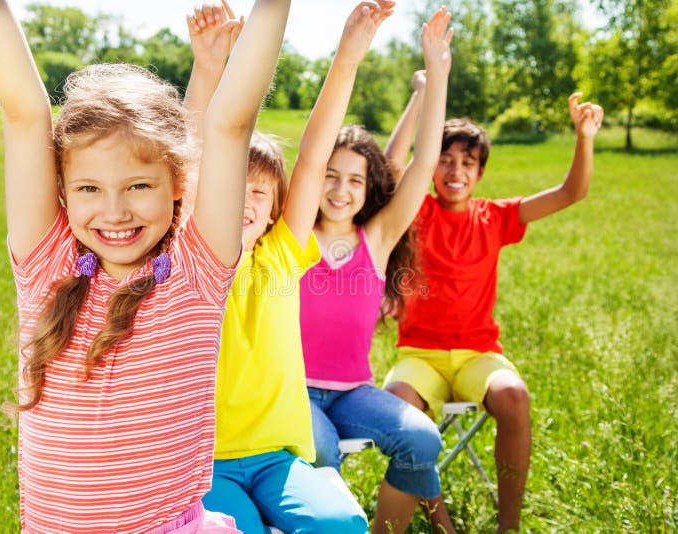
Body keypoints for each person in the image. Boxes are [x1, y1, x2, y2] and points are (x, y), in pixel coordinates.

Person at [0, 0, 291, 531]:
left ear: (179, 185)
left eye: (138, 186)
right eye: (89, 188)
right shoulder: (46, 269)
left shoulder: (195, 277)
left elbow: (232, 123)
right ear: (63, 192)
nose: (114, 211)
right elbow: (23, 111)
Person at [184, 2, 394, 532]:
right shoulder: (195, 259)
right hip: (207, 465)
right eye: (230, 186)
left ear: (275, 207)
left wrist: (348, 54)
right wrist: (208, 69)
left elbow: (314, 155)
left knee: (344, 523)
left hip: (280, 458)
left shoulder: (282, 253)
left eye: (257, 191)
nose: (241, 199)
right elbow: (190, 161)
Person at [384, 93, 604, 532]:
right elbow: (391, 168)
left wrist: (584, 137)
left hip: (477, 355)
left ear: (481, 173)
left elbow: (570, 193)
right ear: (429, 167)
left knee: (514, 395)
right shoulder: (417, 210)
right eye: (444, 160)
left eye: (467, 163)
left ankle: (509, 526)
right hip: (419, 355)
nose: (456, 171)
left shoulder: (496, 217)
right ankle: (440, 521)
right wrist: (419, 98)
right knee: (399, 405)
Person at [298, 8, 455, 534]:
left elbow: (423, 157)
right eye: (330, 176)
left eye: (356, 182)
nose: (341, 191)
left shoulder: (378, 239)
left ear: (369, 191)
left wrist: (437, 75)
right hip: (293, 389)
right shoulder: (293, 234)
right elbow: (309, 153)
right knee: (320, 451)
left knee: (422, 439)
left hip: (353, 391)